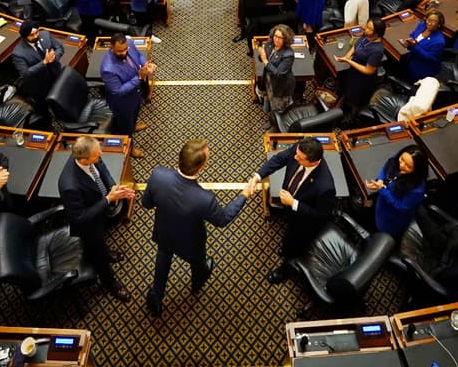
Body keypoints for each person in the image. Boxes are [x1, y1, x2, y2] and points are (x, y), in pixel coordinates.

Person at [142, 139, 260, 317]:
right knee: (198, 264)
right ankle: (197, 284)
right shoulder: (205, 199)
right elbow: (223, 219)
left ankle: (156, 296)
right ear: (200, 169)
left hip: (164, 233)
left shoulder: (158, 174)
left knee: (163, 257)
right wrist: (244, 194)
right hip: (191, 243)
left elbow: (146, 204)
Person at [58, 136, 135, 303]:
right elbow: (79, 218)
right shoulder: (69, 185)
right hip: (88, 225)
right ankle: (110, 282)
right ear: (84, 160)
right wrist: (108, 199)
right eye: (97, 154)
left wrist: (113, 187)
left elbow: (102, 169)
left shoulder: (90, 154)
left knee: (102, 240)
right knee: (98, 256)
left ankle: (106, 252)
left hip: (99, 210)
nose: (101, 155)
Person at [256, 136, 338, 284]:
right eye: (296, 154)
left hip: (303, 222)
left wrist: (294, 203)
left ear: (314, 162)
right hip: (289, 206)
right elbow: (279, 159)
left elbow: (321, 215)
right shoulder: (299, 149)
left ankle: (285, 270)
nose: (295, 157)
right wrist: (258, 175)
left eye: (299, 158)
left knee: (292, 247)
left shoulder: (326, 187)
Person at [101, 33, 153, 158]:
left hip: (136, 95)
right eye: (120, 51)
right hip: (123, 103)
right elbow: (118, 91)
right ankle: (131, 148)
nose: (124, 52)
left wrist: (146, 65)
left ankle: (133, 126)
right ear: (111, 48)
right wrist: (139, 77)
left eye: (125, 49)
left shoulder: (128, 42)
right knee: (125, 128)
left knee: (134, 116)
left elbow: (138, 56)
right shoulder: (108, 69)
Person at [365, 144, 428, 238]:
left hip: (392, 219)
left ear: (417, 170)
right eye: (402, 159)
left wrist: (382, 189)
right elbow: (388, 166)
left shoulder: (417, 190)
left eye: (408, 166)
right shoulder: (403, 157)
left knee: (382, 235)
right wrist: (380, 180)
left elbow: (400, 206)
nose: (401, 165)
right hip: (381, 205)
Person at [9, 20, 65, 107]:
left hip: (56, 72)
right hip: (40, 83)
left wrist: (54, 57)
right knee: (44, 104)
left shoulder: (45, 34)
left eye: (36, 32)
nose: (36, 36)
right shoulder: (18, 53)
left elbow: (60, 48)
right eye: (31, 35)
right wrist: (44, 62)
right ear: (24, 36)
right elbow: (25, 74)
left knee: (62, 93)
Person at [337, 19, 386, 113]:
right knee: (348, 90)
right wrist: (348, 55)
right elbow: (357, 45)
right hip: (354, 72)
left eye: (369, 29)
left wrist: (349, 61)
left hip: (363, 79)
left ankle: (352, 116)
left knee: (356, 99)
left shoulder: (377, 50)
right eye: (367, 26)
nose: (365, 29)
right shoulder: (366, 35)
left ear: (377, 34)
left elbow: (369, 70)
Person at [257, 24, 296, 115]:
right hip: (268, 78)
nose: (276, 39)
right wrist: (261, 54)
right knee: (268, 96)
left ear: (286, 39)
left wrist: (265, 60)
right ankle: (267, 111)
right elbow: (262, 58)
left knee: (278, 109)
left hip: (280, 85)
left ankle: (275, 120)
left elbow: (278, 73)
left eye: (280, 38)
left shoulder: (288, 54)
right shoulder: (270, 43)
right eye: (275, 36)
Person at [403, 9, 447, 82]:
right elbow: (413, 34)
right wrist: (411, 39)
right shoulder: (422, 25)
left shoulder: (439, 41)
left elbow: (431, 58)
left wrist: (415, 46)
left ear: (439, 24)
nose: (429, 23)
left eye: (433, 21)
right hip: (411, 58)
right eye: (428, 20)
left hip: (422, 68)